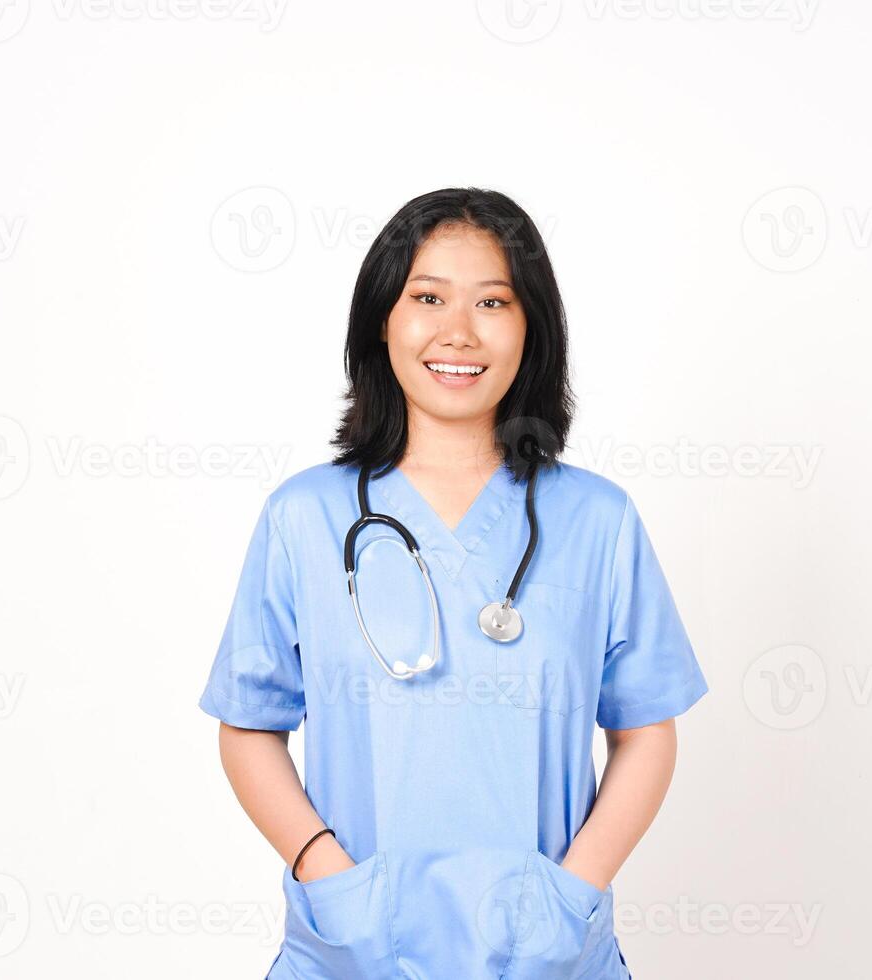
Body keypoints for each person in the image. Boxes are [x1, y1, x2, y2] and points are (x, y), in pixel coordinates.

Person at [198, 186, 709, 978]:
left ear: (531, 327)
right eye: (427, 296)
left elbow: (646, 729)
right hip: (354, 949)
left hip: (545, 952)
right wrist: (325, 873)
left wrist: (574, 892)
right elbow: (248, 723)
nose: (458, 332)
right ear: (383, 321)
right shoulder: (304, 516)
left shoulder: (596, 521)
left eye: (493, 301)